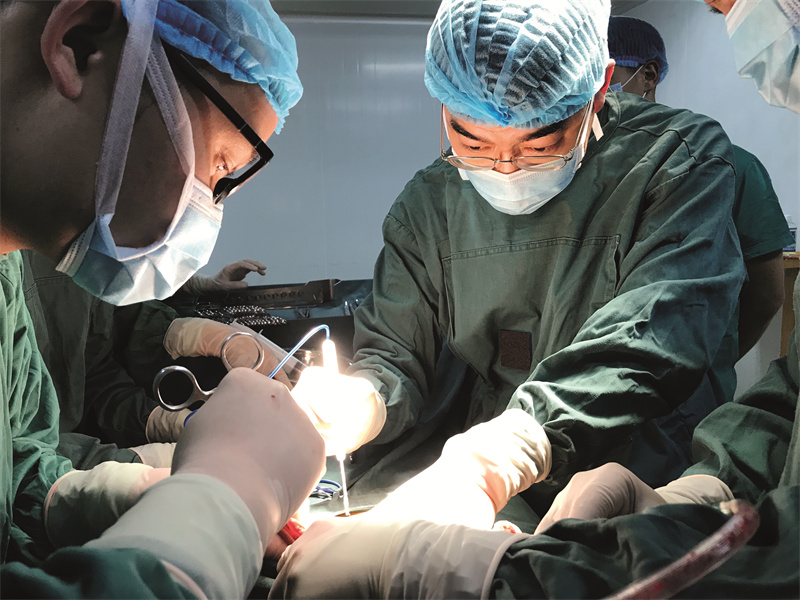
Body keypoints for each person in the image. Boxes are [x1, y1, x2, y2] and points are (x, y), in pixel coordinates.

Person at [271, 0, 800, 597]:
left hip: (648, 462)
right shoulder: (430, 203)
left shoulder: (674, 160)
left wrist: (503, 453)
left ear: (598, 90)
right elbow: (395, 351)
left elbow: (653, 336)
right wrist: (364, 399)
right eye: (471, 140)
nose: (505, 166)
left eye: (540, 143)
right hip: (503, 482)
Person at [0, 1, 325, 597]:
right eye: (219, 167)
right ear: (79, 42)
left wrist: (139, 496)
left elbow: (14, 472)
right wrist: (217, 509)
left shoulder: (5, 281)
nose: (206, 214)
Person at [22, 251, 283, 469]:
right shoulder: (14, 275)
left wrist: (161, 421)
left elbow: (94, 373)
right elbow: (17, 460)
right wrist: (140, 464)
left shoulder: (83, 258)